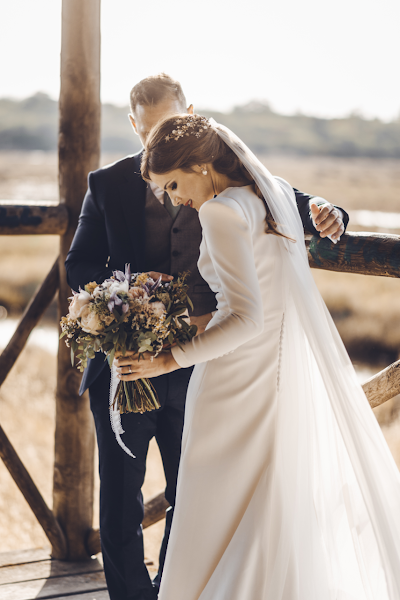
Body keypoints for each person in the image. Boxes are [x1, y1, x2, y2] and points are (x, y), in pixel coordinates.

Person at [65, 74, 348, 600]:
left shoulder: (228, 188)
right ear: (132, 126)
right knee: (121, 494)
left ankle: (188, 584)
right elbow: (79, 263)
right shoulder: (106, 184)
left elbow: (292, 204)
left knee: (192, 492)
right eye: (146, 132)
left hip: (203, 364)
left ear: (191, 118)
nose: (170, 196)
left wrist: (333, 213)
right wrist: (123, 299)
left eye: (167, 128)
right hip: (128, 360)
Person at [115, 113, 400, 600]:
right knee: (263, 499)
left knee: (211, 508)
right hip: (274, 373)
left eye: (174, 184)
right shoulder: (267, 195)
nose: (174, 199)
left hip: (232, 381)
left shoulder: (221, 211)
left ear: (203, 164)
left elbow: (246, 317)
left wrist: (169, 360)